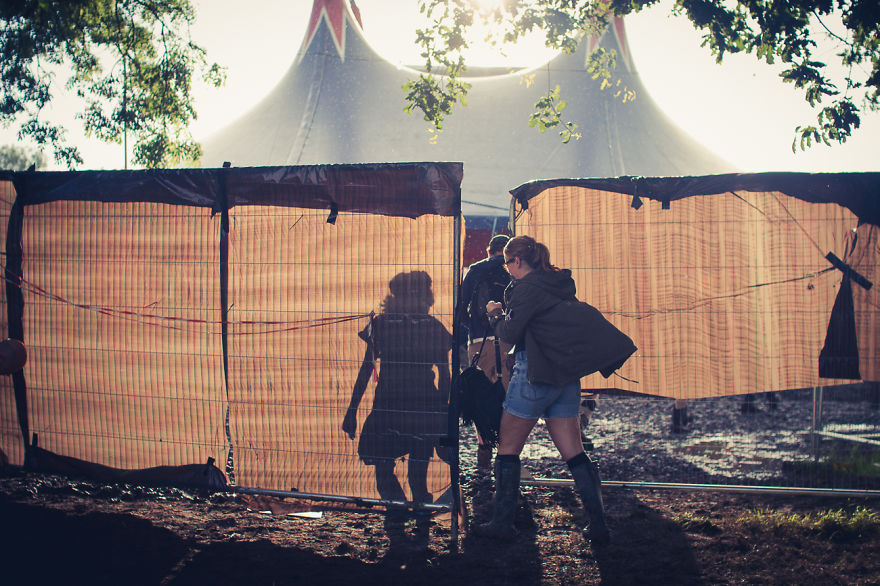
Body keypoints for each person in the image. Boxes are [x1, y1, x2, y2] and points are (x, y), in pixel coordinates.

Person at [473, 235, 636, 547]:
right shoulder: (558, 284)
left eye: (507, 263)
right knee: (574, 452)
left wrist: (494, 313)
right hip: (564, 377)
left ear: (517, 261)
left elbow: (510, 332)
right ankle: (598, 525)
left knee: (507, 448)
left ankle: (502, 524)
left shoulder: (527, 288)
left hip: (534, 374)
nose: (507, 269)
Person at [342, 271, 451, 515]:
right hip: (414, 406)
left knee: (390, 468)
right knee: (409, 470)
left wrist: (352, 411)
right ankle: (410, 514)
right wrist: (443, 413)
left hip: (397, 404)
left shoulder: (385, 324)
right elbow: (444, 375)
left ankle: (401, 513)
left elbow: (366, 368)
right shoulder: (428, 326)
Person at [459, 234, 512, 471]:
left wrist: (474, 327)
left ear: (489, 251)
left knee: (480, 396)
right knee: (508, 398)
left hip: (479, 342)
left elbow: (460, 308)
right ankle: (507, 456)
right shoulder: (513, 268)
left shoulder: (476, 270)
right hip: (508, 342)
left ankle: (484, 456)